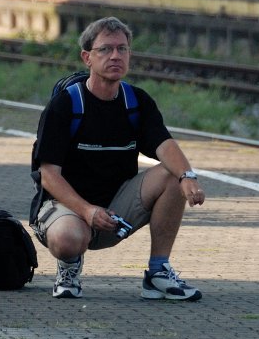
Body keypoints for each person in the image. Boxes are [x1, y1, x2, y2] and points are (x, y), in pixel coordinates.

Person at [31, 17, 205, 301]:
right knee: (68, 240)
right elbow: (49, 175)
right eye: (106, 49)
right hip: (68, 208)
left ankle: (158, 273)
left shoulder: (136, 102)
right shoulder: (66, 104)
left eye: (122, 49)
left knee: (172, 174)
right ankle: (69, 269)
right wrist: (88, 211)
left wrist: (188, 177)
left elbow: (164, 144)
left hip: (116, 211)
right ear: (87, 57)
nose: (115, 56)